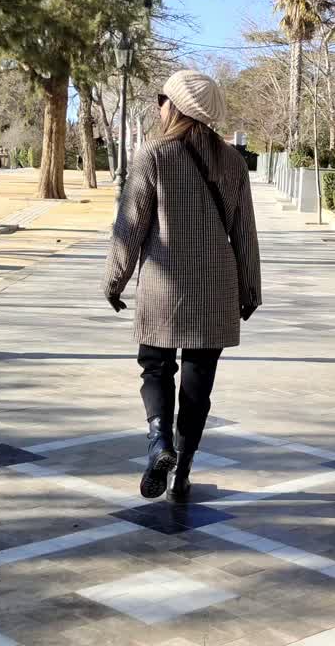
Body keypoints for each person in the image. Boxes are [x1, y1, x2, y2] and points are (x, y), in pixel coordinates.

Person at [102, 70, 262, 502]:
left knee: (156, 368)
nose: (159, 106)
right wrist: (251, 289)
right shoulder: (232, 162)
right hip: (216, 288)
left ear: (174, 107)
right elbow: (244, 231)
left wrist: (114, 281)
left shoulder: (152, 154)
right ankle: (184, 469)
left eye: (162, 100)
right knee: (198, 383)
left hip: (162, 288)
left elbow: (130, 227)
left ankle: (159, 443)